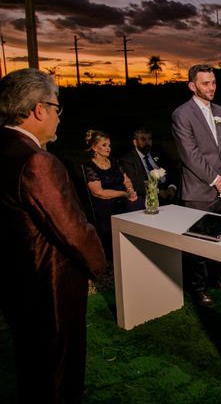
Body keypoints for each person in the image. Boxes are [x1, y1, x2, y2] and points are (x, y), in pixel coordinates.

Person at [0, 69, 107, 404]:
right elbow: (73, 230)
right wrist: (98, 267)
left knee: (31, 365)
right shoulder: (37, 161)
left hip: (15, 281)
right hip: (49, 287)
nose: (59, 118)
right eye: (57, 108)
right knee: (60, 374)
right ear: (38, 110)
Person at [171, 64, 221, 307]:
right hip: (198, 190)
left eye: (213, 82)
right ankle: (198, 288)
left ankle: (220, 277)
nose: (211, 87)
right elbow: (190, 155)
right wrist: (217, 180)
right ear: (192, 86)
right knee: (197, 243)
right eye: (205, 83)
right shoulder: (182, 114)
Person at [84, 129, 143, 258]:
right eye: (104, 145)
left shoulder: (113, 161)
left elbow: (126, 180)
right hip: (106, 202)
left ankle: (140, 245)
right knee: (130, 207)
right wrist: (123, 194)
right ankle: (124, 250)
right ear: (94, 147)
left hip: (123, 196)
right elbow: (98, 192)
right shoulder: (90, 167)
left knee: (140, 203)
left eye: (109, 145)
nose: (108, 148)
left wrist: (130, 190)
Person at [119, 127, 177, 204]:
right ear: (135, 142)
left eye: (149, 139)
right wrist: (157, 191)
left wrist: (172, 187)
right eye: (143, 140)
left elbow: (171, 171)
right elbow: (135, 184)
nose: (147, 143)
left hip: (168, 195)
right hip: (146, 198)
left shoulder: (159, 152)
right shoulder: (128, 160)